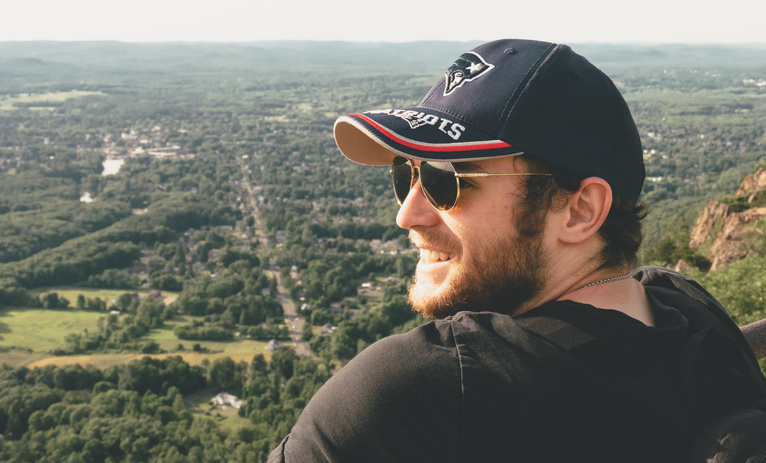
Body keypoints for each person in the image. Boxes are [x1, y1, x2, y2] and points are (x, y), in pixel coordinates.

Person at [268, 39, 766, 462]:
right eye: (407, 174)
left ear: (579, 210)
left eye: (448, 180)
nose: (408, 213)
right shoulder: (693, 317)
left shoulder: (422, 392)